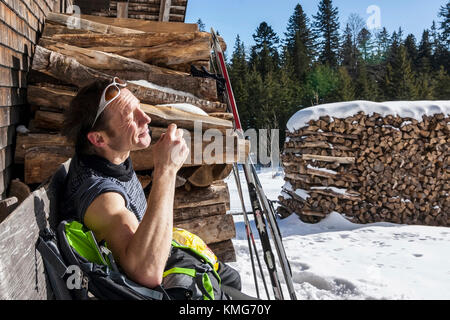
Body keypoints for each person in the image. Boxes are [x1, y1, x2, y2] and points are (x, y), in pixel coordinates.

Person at [61, 77, 244, 299]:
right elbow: (146, 272)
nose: (146, 118)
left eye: (139, 107)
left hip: (170, 261)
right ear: (99, 138)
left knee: (233, 279)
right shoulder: (102, 196)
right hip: (163, 286)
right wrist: (166, 170)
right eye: (130, 116)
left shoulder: (108, 158)